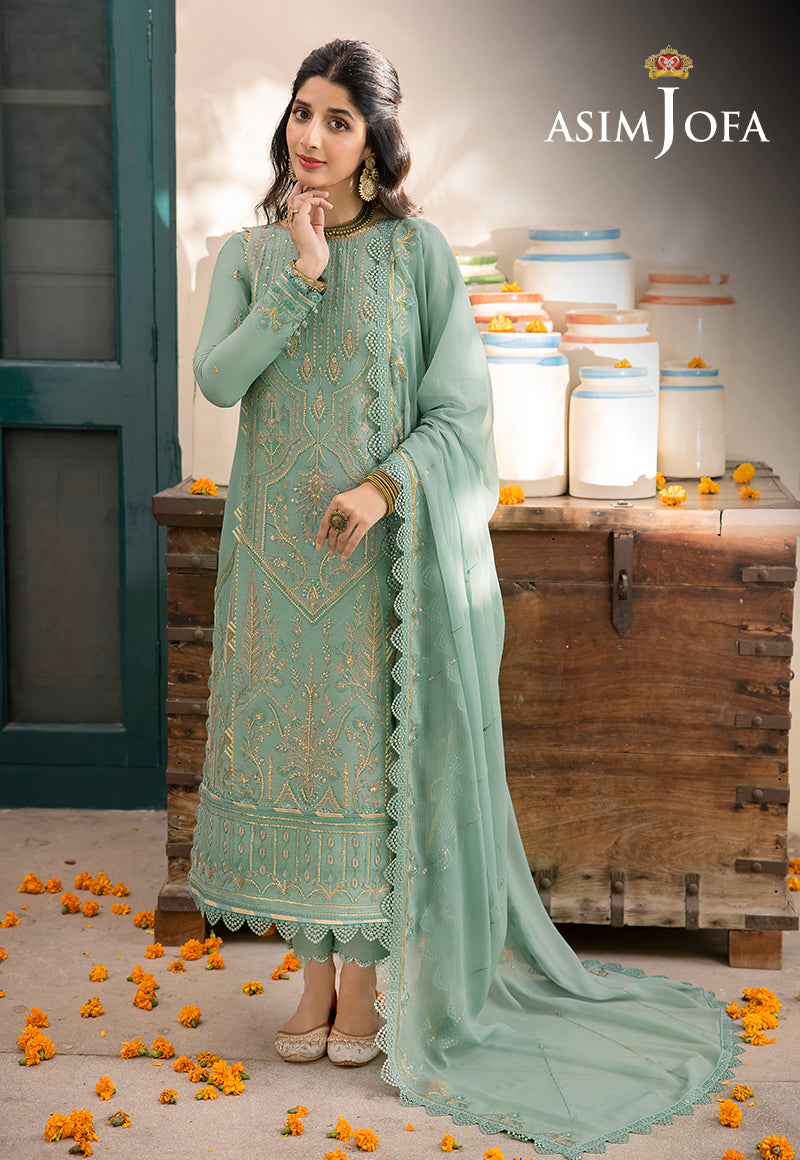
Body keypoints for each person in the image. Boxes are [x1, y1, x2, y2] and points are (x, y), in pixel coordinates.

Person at [188, 38, 741, 1156]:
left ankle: (363, 984)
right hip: (277, 564)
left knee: (366, 766)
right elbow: (217, 379)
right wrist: (299, 277)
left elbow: (461, 414)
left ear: (373, 142)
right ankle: (311, 979)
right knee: (299, 761)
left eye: (339, 120)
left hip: (375, 565)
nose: (311, 135)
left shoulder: (417, 255)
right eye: (302, 112)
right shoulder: (250, 255)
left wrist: (384, 487)